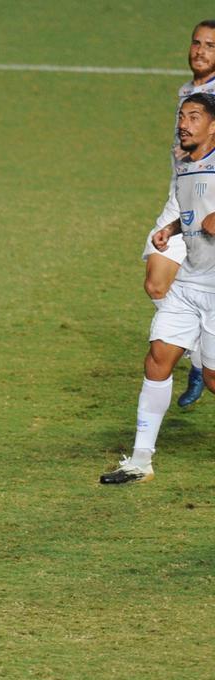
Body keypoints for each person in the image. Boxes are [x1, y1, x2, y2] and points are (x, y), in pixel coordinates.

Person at [100, 93, 215, 485]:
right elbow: (191, 215)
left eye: (194, 117)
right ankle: (140, 460)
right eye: (182, 116)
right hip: (190, 282)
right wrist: (169, 230)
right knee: (157, 358)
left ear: (213, 126)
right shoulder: (185, 165)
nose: (183, 123)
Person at [140, 20, 215, 410]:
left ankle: (203, 355)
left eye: (210, 46)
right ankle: (196, 355)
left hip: (209, 203)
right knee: (156, 283)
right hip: (180, 199)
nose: (200, 51)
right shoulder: (188, 91)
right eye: (196, 43)